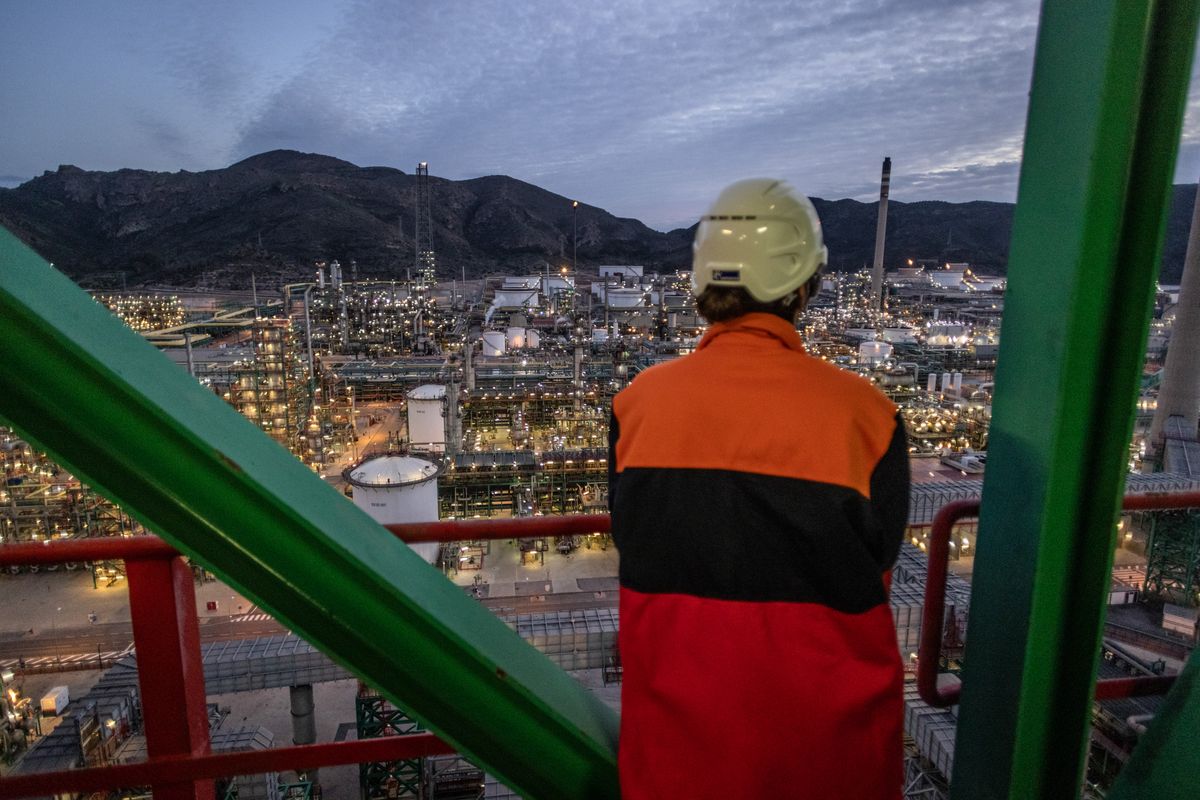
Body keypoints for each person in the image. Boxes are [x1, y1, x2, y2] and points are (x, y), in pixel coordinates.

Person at [609, 178, 909, 798]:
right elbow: (875, 567)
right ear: (803, 285)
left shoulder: (634, 407)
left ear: (701, 285)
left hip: (675, 758)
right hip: (830, 759)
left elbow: (635, 538)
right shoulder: (868, 418)